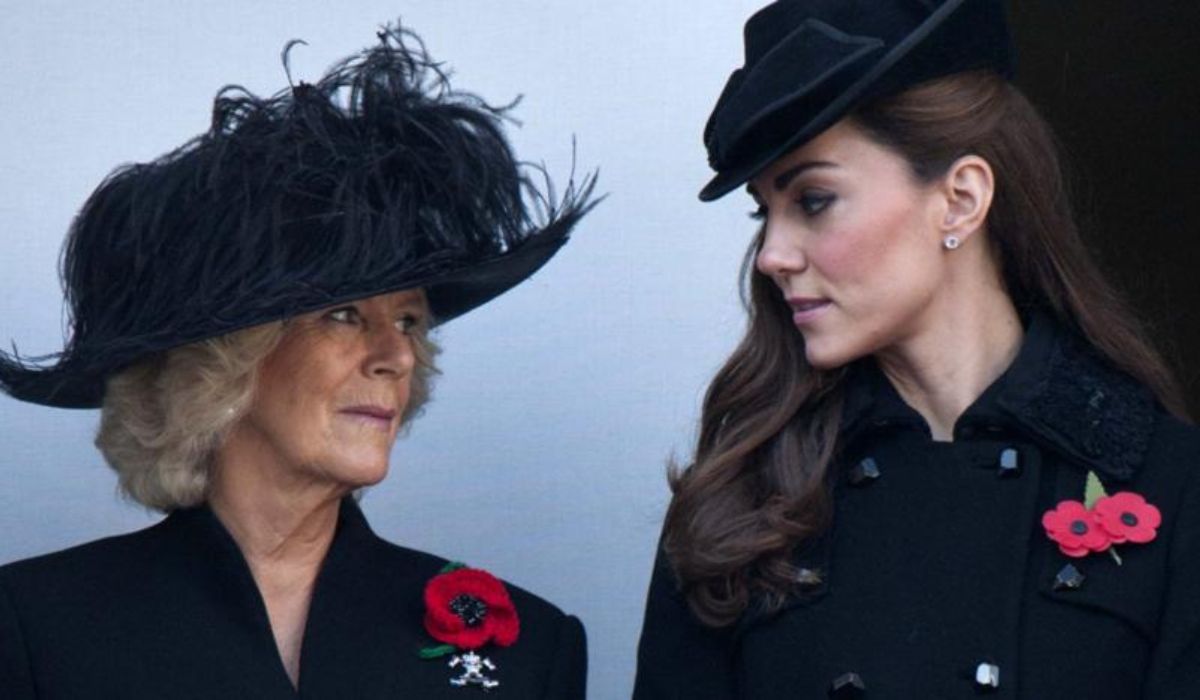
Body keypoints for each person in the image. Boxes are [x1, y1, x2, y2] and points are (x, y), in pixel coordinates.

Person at [0, 25, 596, 699]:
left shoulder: (526, 651)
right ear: (221, 365)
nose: (397, 355)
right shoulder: (38, 632)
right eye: (344, 315)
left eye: (408, 320)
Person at [633, 1, 1200, 697]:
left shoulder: (1171, 484)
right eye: (764, 212)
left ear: (960, 199)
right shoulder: (737, 500)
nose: (772, 255)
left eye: (813, 200)